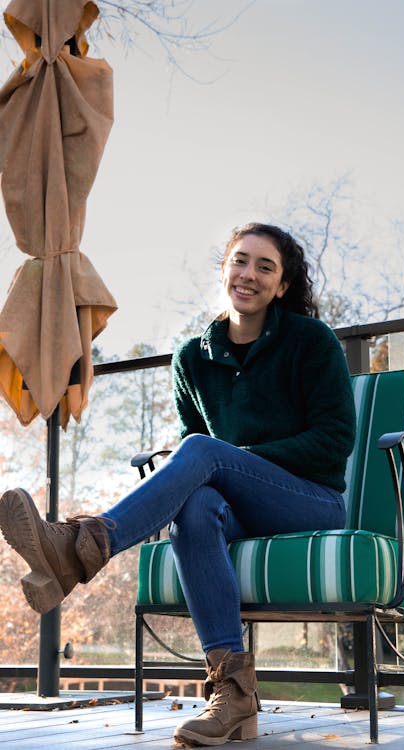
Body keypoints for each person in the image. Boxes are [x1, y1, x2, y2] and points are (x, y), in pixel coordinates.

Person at [0, 222, 356, 747]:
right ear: (224, 269)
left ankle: (81, 547)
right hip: (234, 501)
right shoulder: (193, 357)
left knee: (202, 454)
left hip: (311, 501)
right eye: (241, 261)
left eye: (265, 267)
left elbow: (334, 442)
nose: (249, 275)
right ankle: (232, 694)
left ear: (282, 286)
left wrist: (233, 459)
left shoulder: (311, 341)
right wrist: (222, 464)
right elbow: (205, 466)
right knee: (194, 508)